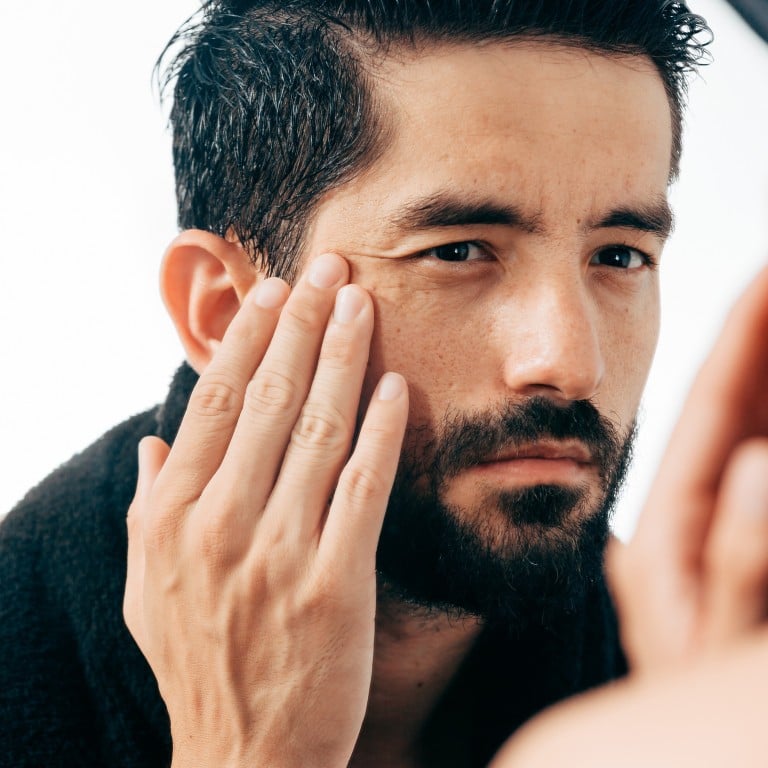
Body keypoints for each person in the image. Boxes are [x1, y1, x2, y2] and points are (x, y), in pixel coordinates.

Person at [0, 2, 713, 766]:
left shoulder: (686, 684)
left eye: (620, 256)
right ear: (223, 311)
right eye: (460, 251)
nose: (572, 364)